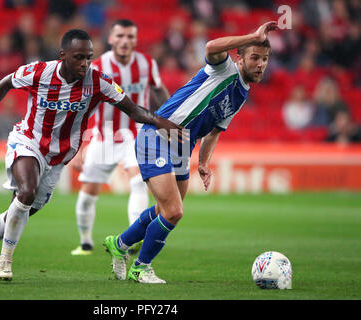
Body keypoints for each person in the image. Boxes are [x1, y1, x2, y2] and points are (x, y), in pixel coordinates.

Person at [0, 29, 185, 282]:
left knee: (18, 213)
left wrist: (163, 123)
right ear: (63, 55)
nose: (85, 63)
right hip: (28, 141)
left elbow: (135, 111)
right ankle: (5, 260)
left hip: (58, 156)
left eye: (89, 57)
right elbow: (5, 83)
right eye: (78, 57)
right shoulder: (38, 72)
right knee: (25, 193)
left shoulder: (98, 82)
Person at [103, 21, 279, 284]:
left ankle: (119, 243)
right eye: (255, 57)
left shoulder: (242, 93)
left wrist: (204, 163)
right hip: (158, 136)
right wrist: (252, 36)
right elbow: (211, 46)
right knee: (174, 212)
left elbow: (215, 131)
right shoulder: (223, 69)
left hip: (183, 147)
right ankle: (141, 267)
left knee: (166, 210)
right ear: (239, 58)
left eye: (264, 59)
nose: (260, 64)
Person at [70, 19, 170, 256]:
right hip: (103, 138)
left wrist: (169, 121)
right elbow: (82, 105)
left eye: (130, 37)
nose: (125, 41)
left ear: (135, 40)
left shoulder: (147, 64)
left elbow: (158, 90)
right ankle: (85, 242)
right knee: (87, 195)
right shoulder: (96, 66)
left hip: (137, 136)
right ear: (111, 39)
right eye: (120, 36)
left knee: (138, 182)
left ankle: (133, 239)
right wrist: (77, 145)